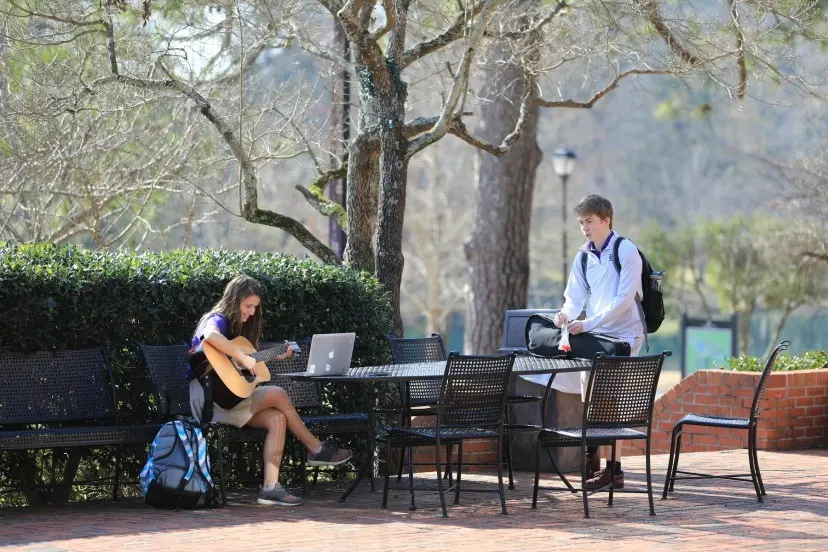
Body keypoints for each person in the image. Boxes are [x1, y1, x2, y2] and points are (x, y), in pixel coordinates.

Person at [187, 275, 353, 506]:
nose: (252, 312)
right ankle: (316, 448)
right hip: (209, 401)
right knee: (278, 393)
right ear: (234, 301)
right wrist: (243, 357)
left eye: (255, 307)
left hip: (229, 400)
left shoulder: (236, 330)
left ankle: (270, 488)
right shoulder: (217, 319)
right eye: (248, 306)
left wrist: (272, 354)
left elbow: (240, 368)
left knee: (277, 418)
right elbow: (210, 336)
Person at [552, 194, 645, 490]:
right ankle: (593, 460)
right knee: (588, 394)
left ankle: (613, 470)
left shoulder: (626, 250)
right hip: (595, 337)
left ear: (606, 220)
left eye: (589, 222)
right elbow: (574, 297)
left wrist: (588, 323)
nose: (585, 228)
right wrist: (565, 316)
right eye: (581, 223)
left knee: (610, 402)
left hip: (623, 337)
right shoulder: (583, 255)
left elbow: (623, 300)